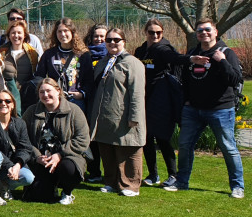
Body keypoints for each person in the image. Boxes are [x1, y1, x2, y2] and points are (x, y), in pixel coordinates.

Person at [165, 19, 245, 198]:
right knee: (185, 146)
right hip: (193, 110)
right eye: (200, 30)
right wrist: (186, 101)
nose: (204, 33)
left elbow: (235, 80)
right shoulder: (193, 53)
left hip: (220, 110)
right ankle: (182, 182)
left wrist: (222, 61)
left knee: (228, 147)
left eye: (207, 29)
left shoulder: (226, 52)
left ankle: (237, 187)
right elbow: (183, 80)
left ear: (215, 32)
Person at [90, 28, 146, 197]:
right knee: (107, 150)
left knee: (128, 150)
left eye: (116, 39)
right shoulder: (103, 61)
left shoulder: (133, 63)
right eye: (109, 40)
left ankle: (130, 185)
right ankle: (111, 182)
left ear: (124, 42)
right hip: (105, 116)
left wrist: (134, 117)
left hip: (125, 115)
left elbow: (137, 93)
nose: (112, 43)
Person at [133, 19, 189, 187]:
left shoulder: (164, 49)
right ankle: (153, 174)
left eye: (159, 32)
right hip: (144, 99)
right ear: (146, 32)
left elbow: (177, 59)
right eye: (151, 32)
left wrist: (192, 59)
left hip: (162, 101)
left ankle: (173, 175)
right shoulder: (141, 51)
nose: (155, 35)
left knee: (163, 137)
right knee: (147, 138)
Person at [22, 79, 90, 205]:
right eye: (42, 92)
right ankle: (50, 185)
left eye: (49, 91)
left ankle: (67, 192)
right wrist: (36, 156)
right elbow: (23, 138)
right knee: (39, 196)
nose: (45, 95)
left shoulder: (74, 111)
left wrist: (59, 154)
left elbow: (82, 139)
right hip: (41, 160)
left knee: (68, 169)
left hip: (67, 158)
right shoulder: (31, 111)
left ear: (58, 91)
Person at [34, 18, 89, 110]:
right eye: (59, 31)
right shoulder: (49, 54)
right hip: (55, 100)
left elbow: (89, 79)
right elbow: (39, 76)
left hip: (75, 100)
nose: (62, 34)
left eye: (66, 31)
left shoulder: (83, 55)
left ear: (72, 32)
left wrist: (82, 94)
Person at [82, 23, 108, 182]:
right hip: (88, 100)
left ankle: (110, 172)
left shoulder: (111, 57)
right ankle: (93, 171)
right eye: (96, 36)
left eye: (102, 37)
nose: (99, 39)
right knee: (90, 137)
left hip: (105, 102)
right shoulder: (85, 55)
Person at [0, 20, 41, 112]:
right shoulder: (1, 53)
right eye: (13, 33)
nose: (16, 36)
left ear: (24, 35)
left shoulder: (32, 53)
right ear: (9, 35)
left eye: (19, 33)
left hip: (27, 97)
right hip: (7, 97)